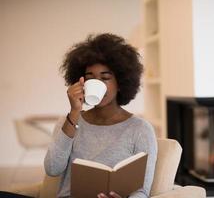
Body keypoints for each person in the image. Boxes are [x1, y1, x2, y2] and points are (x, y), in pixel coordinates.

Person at [44, 33, 157, 198]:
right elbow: (52, 169)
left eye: (105, 78)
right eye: (90, 78)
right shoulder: (69, 121)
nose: (97, 84)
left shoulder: (140, 129)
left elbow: (142, 190)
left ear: (120, 83)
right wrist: (75, 112)